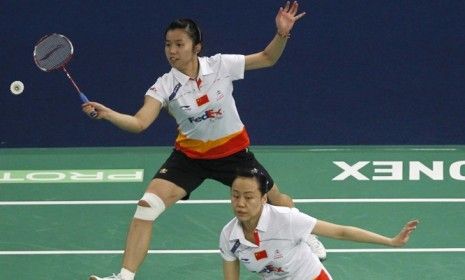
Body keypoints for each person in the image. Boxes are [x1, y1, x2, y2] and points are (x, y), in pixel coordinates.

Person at [85, 2, 324, 280]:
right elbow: (139, 123)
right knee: (146, 207)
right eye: (167, 45)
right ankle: (124, 278)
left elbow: (268, 58)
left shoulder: (221, 65)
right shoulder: (164, 85)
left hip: (234, 153)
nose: (172, 51)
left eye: (179, 44)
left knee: (278, 202)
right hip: (190, 158)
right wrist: (109, 114)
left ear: (196, 47)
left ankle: (304, 235)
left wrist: (282, 34)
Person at [219, 168, 420, 280]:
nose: (241, 203)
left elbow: (341, 232)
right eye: (235, 196)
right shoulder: (229, 236)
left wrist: (391, 241)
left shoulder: (286, 220)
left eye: (248, 196)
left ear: (264, 198)